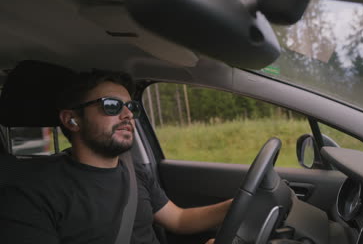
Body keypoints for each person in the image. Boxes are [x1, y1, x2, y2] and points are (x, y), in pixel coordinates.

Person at [0, 70, 231, 244]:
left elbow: (179, 220)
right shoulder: (29, 194)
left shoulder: (135, 171)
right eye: (112, 105)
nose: (128, 114)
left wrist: (236, 205)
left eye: (131, 106)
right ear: (72, 120)